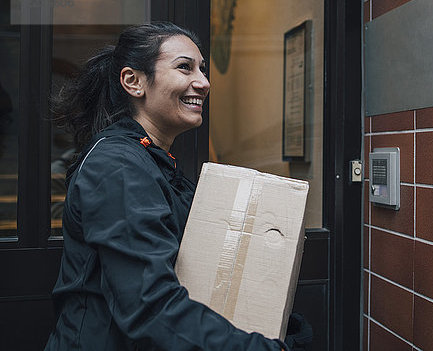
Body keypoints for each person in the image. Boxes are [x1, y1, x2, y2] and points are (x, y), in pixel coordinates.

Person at [44, 22, 297, 350]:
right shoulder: (117, 165)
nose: (203, 83)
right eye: (184, 67)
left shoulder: (150, 160)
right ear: (134, 82)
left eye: (202, 70)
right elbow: (149, 307)